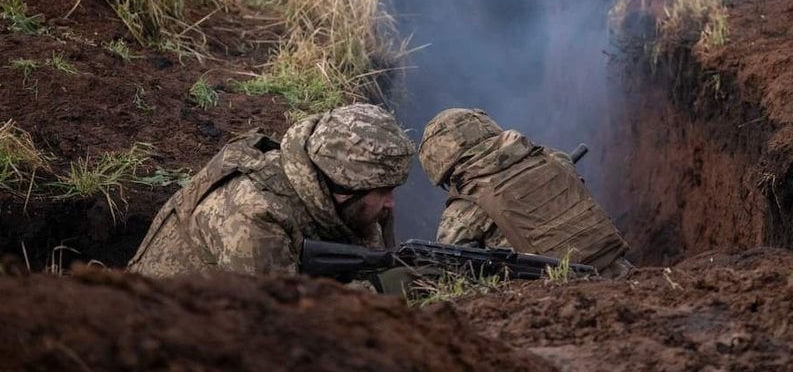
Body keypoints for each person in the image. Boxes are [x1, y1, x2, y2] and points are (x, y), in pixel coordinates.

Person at [128, 103, 414, 277]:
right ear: (344, 188)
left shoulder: (350, 203)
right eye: (383, 191)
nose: (390, 203)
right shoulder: (252, 215)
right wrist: (376, 293)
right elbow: (275, 331)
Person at [418, 107, 632, 278]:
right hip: (620, 273)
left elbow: (451, 272)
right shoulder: (554, 158)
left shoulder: (463, 209)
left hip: (550, 299)